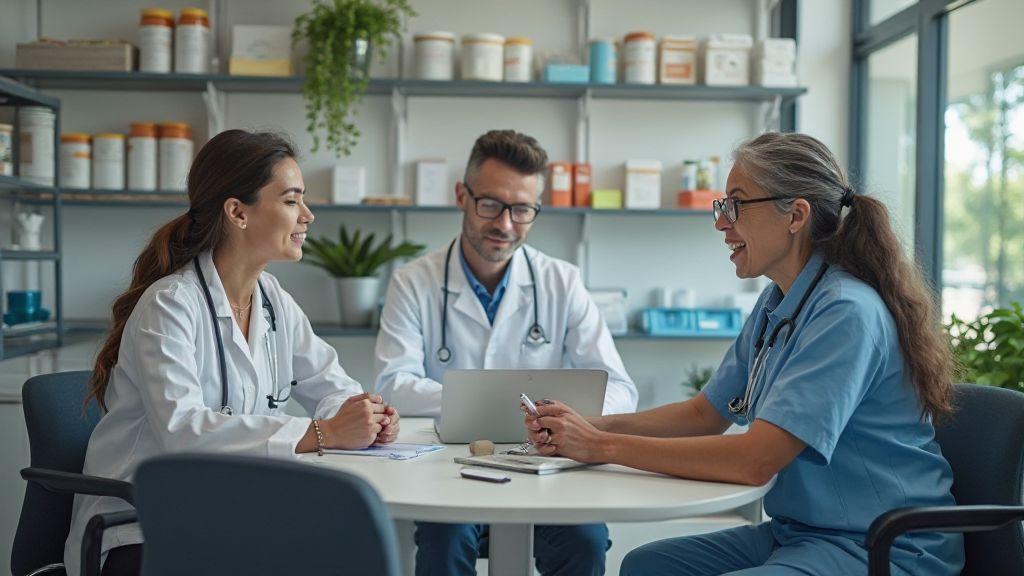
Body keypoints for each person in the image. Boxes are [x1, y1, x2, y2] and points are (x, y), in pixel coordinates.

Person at [523, 132, 965, 575]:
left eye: (735, 204)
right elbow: (703, 415)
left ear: (795, 215)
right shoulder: (780, 302)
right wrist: (582, 426)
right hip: (802, 533)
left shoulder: (846, 312)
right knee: (647, 566)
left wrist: (599, 445)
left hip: (881, 546)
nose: (721, 222)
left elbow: (756, 461)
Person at [64, 130, 400, 576]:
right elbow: (183, 432)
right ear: (238, 212)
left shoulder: (273, 299)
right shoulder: (170, 304)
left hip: (232, 516)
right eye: (291, 200)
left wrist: (365, 415)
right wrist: (324, 432)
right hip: (144, 528)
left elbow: (330, 384)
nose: (307, 215)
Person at [375, 129, 638, 575]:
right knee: (445, 541)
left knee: (586, 541)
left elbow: (619, 388)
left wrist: (561, 417)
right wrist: (493, 404)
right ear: (462, 196)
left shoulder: (562, 281)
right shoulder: (413, 283)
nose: (505, 224)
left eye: (522, 209)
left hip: (546, 462)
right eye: (491, 204)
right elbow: (392, 384)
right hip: (447, 468)